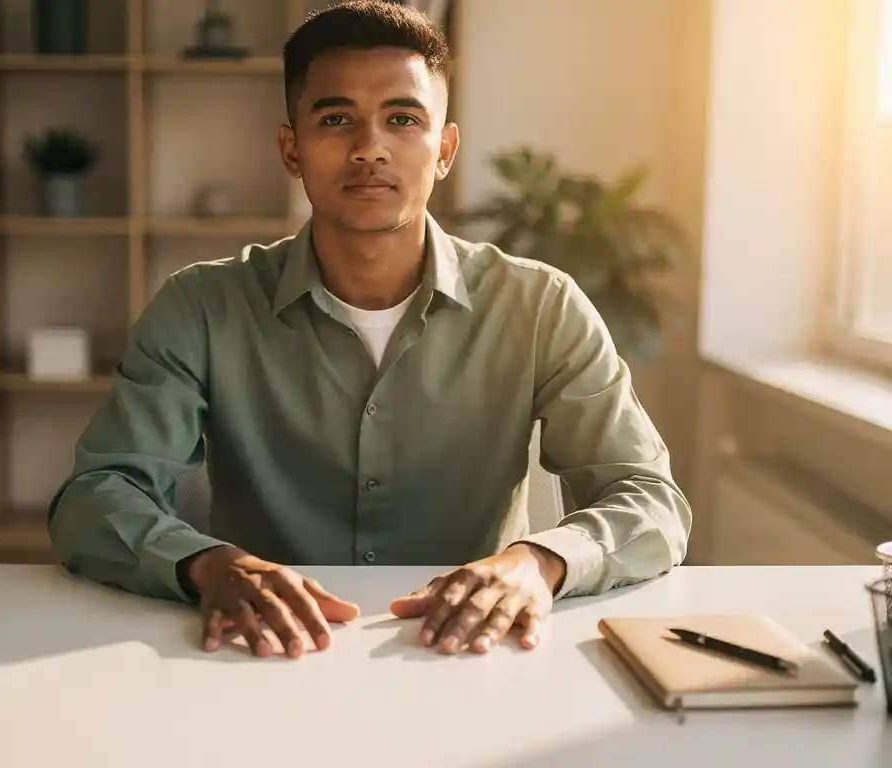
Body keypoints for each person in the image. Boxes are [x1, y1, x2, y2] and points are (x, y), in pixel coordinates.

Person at [47, 0, 692, 661]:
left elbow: (648, 500)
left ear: (443, 149)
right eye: (335, 119)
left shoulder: (540, 305)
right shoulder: (201, 306)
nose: (369, 148)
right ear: (291, 149)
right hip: (262, 655)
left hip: (471, 657)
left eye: (402, 119)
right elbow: (96, 497)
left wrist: (539, 561)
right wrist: (209, 565)